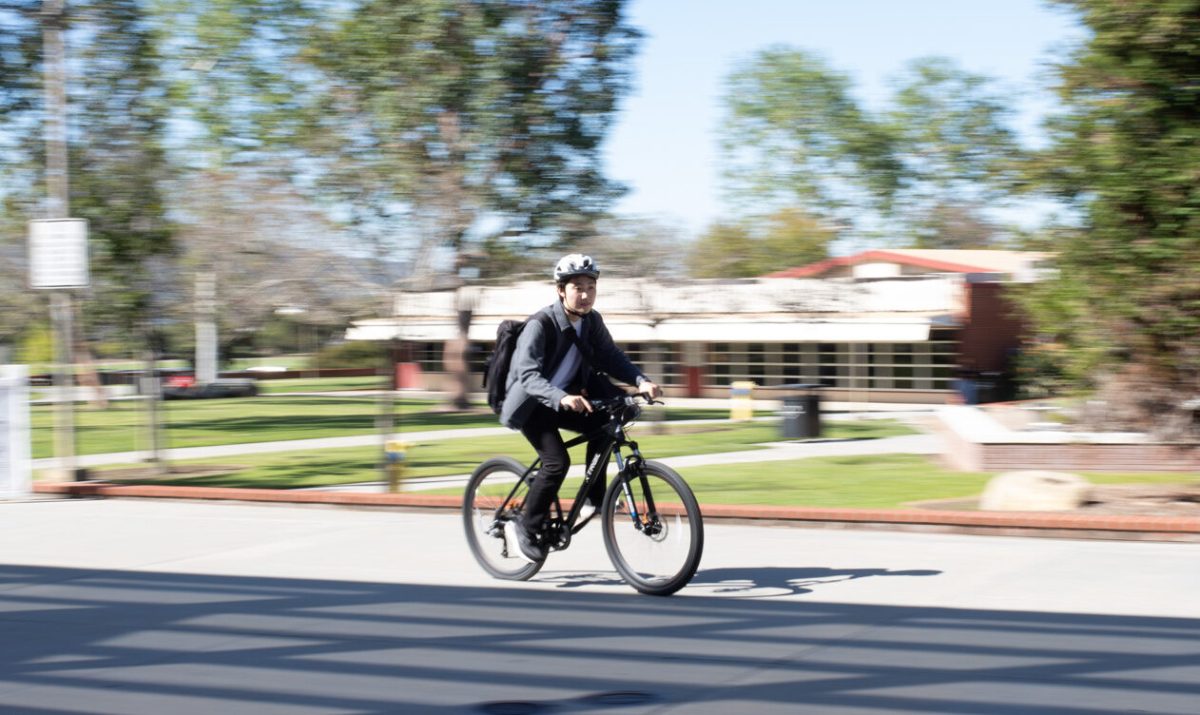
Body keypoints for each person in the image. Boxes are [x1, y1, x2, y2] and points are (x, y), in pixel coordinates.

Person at [499, 253, 662, 563]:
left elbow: (612, 357)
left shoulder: (592, 321)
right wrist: (560, 397)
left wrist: (641, 381)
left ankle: (593, 499)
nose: (585, 294)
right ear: (561, 290)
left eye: (591, 287)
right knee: (556, 462)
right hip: (533, 405)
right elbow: (528, 376)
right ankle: (524, 526)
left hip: (568, 399)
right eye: (578, 287)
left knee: (606, 427)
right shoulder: (540, 324)